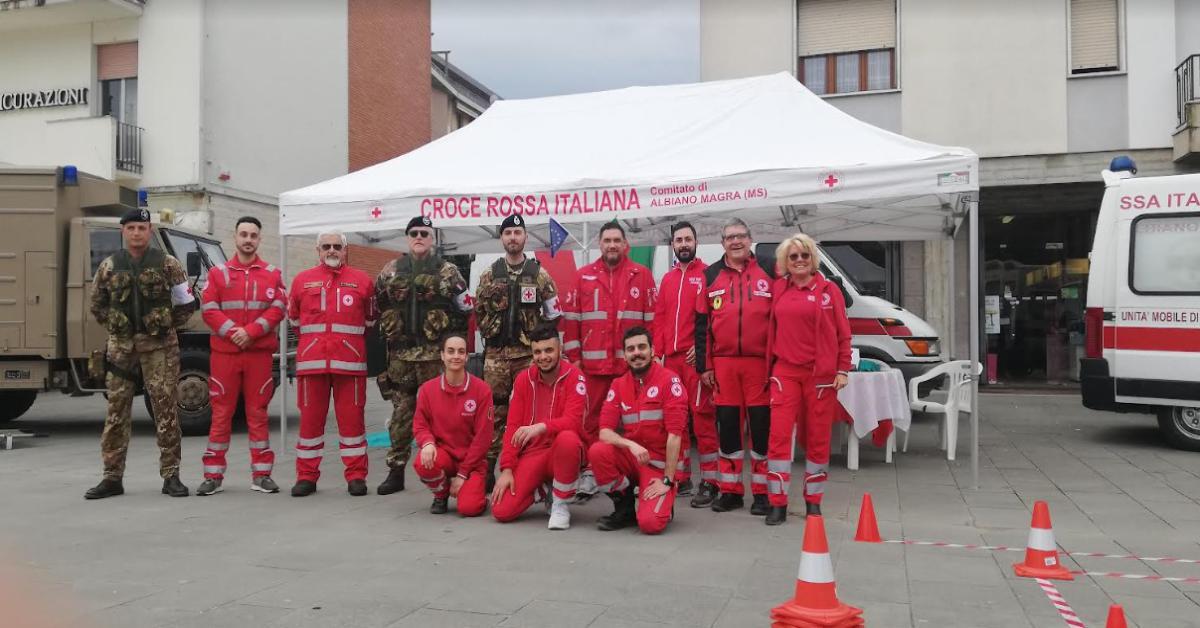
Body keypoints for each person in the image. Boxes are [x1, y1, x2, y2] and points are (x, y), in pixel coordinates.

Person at [85, 208, 197, 499]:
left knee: (166, 409)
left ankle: (171, 476)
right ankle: (112, 478)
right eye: (132, 227)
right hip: (122, 348)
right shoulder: (110, 265)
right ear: (124, 231)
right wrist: (116, 324)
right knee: (116, 412)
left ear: (150, 231)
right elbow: (97, 304)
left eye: (142, 227)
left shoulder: (168, 263)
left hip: (160, 347)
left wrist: (164, 324)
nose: (137, 232)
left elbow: (186, 303)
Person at [375, 216, 473, 496]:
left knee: (441, 415)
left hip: (434, 357)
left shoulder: (448, 271)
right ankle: (396, 471)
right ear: (407, 238)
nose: (419, 237)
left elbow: (464, 309)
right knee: (401, 414)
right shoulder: (391, 270)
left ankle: (443, 468)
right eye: (414, 233)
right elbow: (380, 302)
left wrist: (450, 348)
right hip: (401, 357)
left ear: (432, 239)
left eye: (425, 233)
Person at [561, 220, 656, 495]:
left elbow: (651, 322)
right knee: (591, 423)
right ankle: (592, 472)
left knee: (635, 422)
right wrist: (575, 359)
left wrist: (652, 356)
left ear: (625, 244)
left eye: (617, 240)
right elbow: (572, 321)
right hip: (592, 368)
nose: (612, 245)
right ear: (599, 244)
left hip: (631, 368)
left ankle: (635, 472)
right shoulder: (583, 277)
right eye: (607, 240)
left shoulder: (642, 275)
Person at [764, 234, 851, 525]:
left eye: (804, 255)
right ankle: (777, 503)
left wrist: (842, 369)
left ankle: (813, 502)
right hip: (785, 372)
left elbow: (843, 333)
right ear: (785, 262)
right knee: (777, 438)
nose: (799, 260)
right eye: (793, 256)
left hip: (820, 377)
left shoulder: (829, 290)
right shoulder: (779, 288)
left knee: (817, 440)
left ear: (812, 258)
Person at [196, 216, 287, 495]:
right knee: (221, 414)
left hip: (258, 355)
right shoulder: (218, 274)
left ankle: (261, 475)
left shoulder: (272, 273)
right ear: (235, 237)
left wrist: (251, 332)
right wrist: (234, 331)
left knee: (257, 414)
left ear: (259, 240)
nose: (248, 239)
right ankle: (213, 476)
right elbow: (208, 307)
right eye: (244, 234)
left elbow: (279, 306)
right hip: (225, 355)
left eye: (253, 235)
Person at [694, 217, 776, 515]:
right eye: (730, 237)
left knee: (761, 430)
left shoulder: (770, 269)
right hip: (724, 367)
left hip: (759, 366)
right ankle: (730, 491)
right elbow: (702, 325)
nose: (736, 241)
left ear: (750, 239)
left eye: (741, 235)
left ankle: (763, 493)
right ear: (722, 242)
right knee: (728, 429)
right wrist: (704, 366)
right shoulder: (710, 274)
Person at [476, 214, 562, 491]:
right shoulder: (489, 274)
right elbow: (478, 311)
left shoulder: (539, 274)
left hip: (528, 356)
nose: (513, 237)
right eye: (508, 232)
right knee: (495, 413)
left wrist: (540, 343)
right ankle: (489, 468)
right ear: (501, 238)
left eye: (517, 232)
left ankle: (528, 466)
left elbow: (553, 313)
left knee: (529, 413)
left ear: (525, 237)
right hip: (497, 355)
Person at [287, 230, 376, 497]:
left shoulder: (362, 281)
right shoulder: (302, 280)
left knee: (353, 424)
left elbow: (370, 321)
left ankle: (357, 476)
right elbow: (294, 321)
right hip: (312, 364)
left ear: (346, 250)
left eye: (337, 246)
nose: (332, 250)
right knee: (309, 425)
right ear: (318, 250)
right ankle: (306, 476)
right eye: (326, 246)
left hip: (350, 366)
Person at [588, 326, 688, 534]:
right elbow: (604, 432)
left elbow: (675, 436)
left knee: (650, 525)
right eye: (631, 349)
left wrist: (668, 480)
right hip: (634, 458)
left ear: (652, 350)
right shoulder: (618, 384)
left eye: (642, 347)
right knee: (598, 452)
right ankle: (624, 509)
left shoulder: (669, 381)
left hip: (660, 466)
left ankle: (662, 498)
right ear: (624, 355)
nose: (637, 353)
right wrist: (630, 444)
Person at [491, 326, 587, 530]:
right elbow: (513, 427)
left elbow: (574, 421)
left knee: (568, 439)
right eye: (537, 352)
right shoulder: (523, 379)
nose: (543, 357)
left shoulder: (575, 376)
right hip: (533, 454)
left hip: (561, 451)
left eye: (549, 350)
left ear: (559, 350)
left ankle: (560, 504)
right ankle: (544, 490)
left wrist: (541, 427)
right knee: (501, 511)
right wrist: (507, 469)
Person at [653, 221, 719, 505]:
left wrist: (701, 349)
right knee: (675, 423)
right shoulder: (667, 280)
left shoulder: (707, 275)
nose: (683, 244)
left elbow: (715, 321)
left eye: (688, 239)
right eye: (678, 240)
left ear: (696, 242)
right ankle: (681, 478)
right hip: (671, 363)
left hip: (696, 362)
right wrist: (657, 352)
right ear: (672, 245)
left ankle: (711, 480)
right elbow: (660, 318)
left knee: (703, 419)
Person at [412, 333, 494, 516]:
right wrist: (427, 443)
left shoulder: (482, 390)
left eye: (461, 352)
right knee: (422, 462)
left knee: (469, 509)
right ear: (442, 355)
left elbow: (483, 438)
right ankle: (441, 494)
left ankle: (477, 493)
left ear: (466, 356)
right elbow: (420, 423)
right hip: (445, 455)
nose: (455, 356)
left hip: (472, 462)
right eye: (450, 351)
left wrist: (463, 474)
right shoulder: (427, 389)